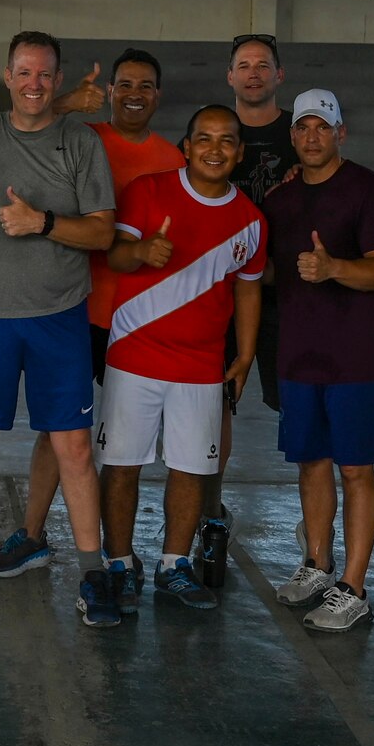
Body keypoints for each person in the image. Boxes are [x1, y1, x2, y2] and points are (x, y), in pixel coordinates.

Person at [0, 32, 118, 627]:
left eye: (45, 74)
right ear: (7, 76)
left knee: (73, 448)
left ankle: (95, 575)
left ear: (57, 79)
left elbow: (101, 234)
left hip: (59, 316)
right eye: (24, 73)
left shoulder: (81, 142)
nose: (35, 84)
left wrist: (41, 222)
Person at [0, 47, 181, 604]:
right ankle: (33, 534)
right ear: (110, 91)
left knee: (130, 441)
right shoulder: (78, 136)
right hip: (77, 309)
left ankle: (118, 553)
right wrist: (69, 100)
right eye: (124, 85)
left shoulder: (173, 159)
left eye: (146, 85)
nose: (135, 94)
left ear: (158, 95)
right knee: (60, 430)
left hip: (143, 319)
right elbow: (28, 122)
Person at [98, 104, 264, 612]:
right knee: (121, 465)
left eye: (227, 141)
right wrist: (144, 252)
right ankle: (119, 563)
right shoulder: (148, 191)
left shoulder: (251, 221)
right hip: (133, 356)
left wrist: (247, 354)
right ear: (187, 147)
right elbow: (115, 255)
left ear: (238, 152)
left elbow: (249, 293)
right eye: (204, 139)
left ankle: (175, 563)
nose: (215, 149)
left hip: (200, 366)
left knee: (191, 469)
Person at [260, 90, 374, 631]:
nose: (312, 137)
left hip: (357, 361)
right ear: (293, 136)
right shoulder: (280, 200)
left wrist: (333, 269)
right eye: (303, 129)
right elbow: (271, 270)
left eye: (323, 127)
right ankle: (319, 563)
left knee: (356, 469)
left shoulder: (371, 192)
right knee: (311, 462)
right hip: (299, 357)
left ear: (341, 132)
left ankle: (355, 585)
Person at [192, 33, 297, 584]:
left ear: (279, 75)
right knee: (216, 406)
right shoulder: (212, 133)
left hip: (289, 293)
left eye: (263, 65)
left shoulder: (301, 136)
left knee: (298, 409)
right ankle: (210, 513)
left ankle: (314, 537)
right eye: (243, 66)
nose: (253, 74)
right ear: (229, 76)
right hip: (222, 291)